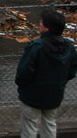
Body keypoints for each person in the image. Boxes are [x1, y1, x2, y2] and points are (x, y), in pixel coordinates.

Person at [15, 8, 77, 138]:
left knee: (29, 128)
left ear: (47, 28)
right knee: (50, 124)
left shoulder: (36, 47)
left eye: (42, 22)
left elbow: (23, 72)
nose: (40, 24)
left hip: (32, 95)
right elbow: (72, 71)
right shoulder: (69, 48)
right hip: (54, 94)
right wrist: (60, 81)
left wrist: (23, 86)